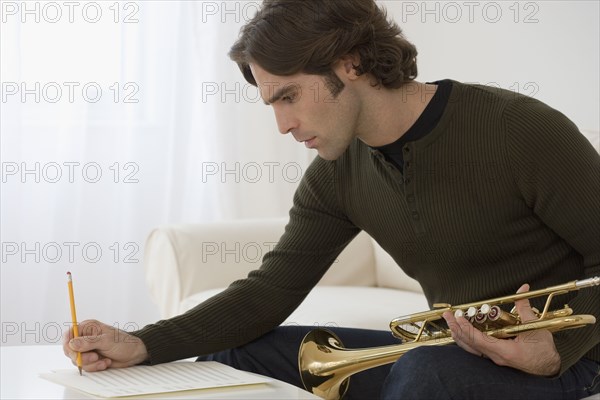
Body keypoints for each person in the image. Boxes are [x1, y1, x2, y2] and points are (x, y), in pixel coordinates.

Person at [63, 1, 600, 399]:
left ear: (350, 64)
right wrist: (142, 343)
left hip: (571, 359)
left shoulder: (517, 130)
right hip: (451, 352)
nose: (282, 125)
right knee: (237, 353)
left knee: (424, 376)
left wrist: (556, 352)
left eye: (288, 96)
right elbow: (270, 290)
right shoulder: (336, 173)